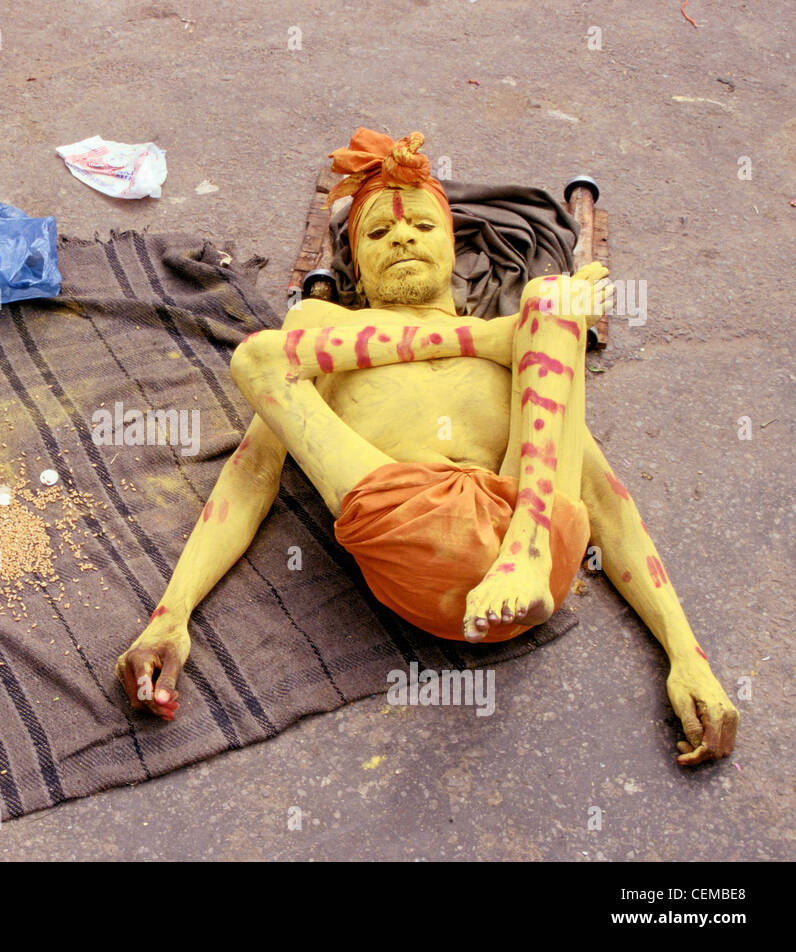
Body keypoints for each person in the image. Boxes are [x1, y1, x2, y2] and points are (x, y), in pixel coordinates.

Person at [114, 127, 737, 765]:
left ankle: (519, 556)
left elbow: (603, 498)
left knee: (551, 295)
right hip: (412, 532)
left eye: (421, 227)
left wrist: (687, 657)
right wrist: (172, 614)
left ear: (451, 244)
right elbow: (250, 478)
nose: (403, 237)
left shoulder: (529, 342)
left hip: (534, 538)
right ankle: (513, 557)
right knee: (260, 355)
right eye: (378, 234)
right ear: (355, 263)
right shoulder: (329, 329)